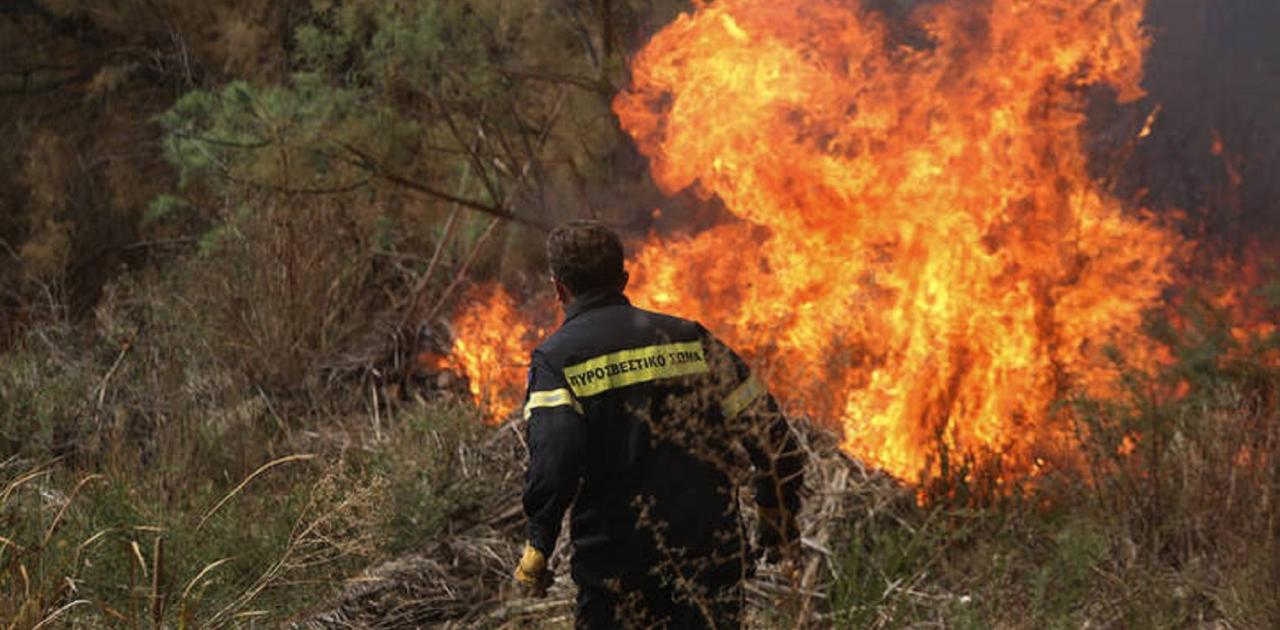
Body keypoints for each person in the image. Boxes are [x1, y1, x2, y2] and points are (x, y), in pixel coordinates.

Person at [512, 220, 806, 629]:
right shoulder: (690, 339)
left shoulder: (557, 360)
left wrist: (539, 544)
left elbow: (555, 461)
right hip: (711, 559)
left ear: (559, 289)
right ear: (623, 279)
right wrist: (775, 513)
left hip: (617, 571)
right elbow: (773, 436)